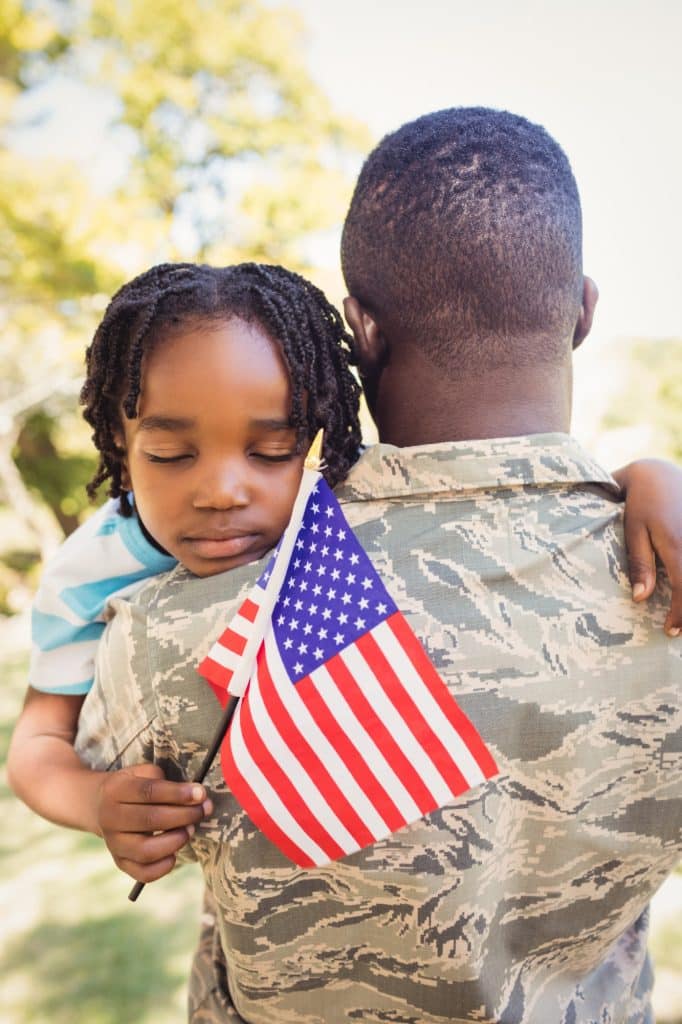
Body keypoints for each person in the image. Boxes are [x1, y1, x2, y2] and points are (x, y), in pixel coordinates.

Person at [71, 108, 681, 1023]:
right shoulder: (665, 578)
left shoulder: (190, 627)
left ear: (360, 332)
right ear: (583, 313)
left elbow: (90, 781)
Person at [7, 260, 362, 866]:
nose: (222, 491)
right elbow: (35, 746)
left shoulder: (345, 513)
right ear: (120, 444)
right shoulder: (84, 577)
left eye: (272, 451)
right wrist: (96, 802)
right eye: (171, 454)